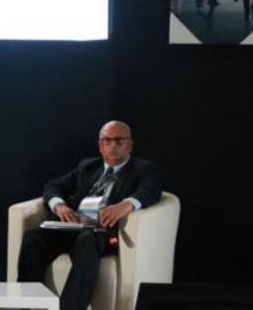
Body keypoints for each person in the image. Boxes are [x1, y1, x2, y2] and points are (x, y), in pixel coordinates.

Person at [17, 121, 162, 310]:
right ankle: (26, 305)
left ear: (130, 144)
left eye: (119, 140)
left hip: (103, 232)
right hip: (74, 226)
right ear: (100, 146)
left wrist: (126, 205)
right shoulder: (88, 167)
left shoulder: (143, 169)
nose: (113, 145)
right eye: (107, 141)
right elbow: (53, 186)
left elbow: (150, 190)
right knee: (33, 238)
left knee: (86, 240)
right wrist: (60, 206)